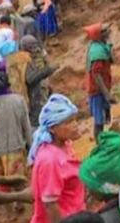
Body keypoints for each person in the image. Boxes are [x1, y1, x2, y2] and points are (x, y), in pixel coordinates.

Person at [28, 95, 85, 223]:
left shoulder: (65, 146)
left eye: (75, 120)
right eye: (68, 122)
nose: (75, 125)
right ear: (53, 128)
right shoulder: (50, 160)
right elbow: (50, 206)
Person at [0, 73, 30, 197]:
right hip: (14, 147)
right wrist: (31, 146)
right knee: (18, 182)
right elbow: (26, 127)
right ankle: (20, 206)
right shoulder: (18, 100)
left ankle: (8, 211)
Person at [83, 24, 113, 140]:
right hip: (97, 90)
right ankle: (98, 142)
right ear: (98, 35)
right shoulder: (97, 52)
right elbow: (96, 74)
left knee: (103, 115)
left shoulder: (99, 46)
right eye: (104, 31)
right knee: (99, 119)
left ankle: (101, 140)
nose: (108, 32)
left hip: (100, 88)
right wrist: (106, 94)